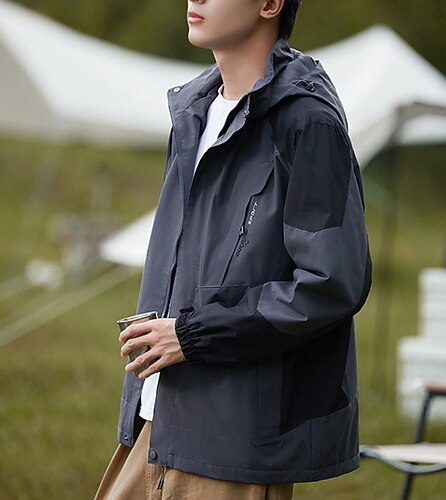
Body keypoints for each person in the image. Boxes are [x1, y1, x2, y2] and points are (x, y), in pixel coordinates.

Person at [95, 0, 371, 498]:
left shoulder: (308, 123)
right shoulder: (193, 112)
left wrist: (194, 335)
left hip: (233, 446)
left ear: (270, 4)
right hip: (154, 423)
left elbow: (331, 283)